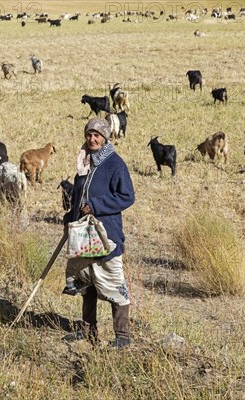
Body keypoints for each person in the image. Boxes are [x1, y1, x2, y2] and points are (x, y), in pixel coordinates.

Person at [62, 117, 135, 348]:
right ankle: (87, 331)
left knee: (113, 282)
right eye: (88, 135)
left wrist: (96, 205)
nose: (92, 139)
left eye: (97, 135)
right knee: (87, 280)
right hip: (83, 235)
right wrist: (70, 218)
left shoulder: (115, 163)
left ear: (105, 137)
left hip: (106, 234)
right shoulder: (84, 163)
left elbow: (127, 196)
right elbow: (78, 197)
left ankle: (122, 336)